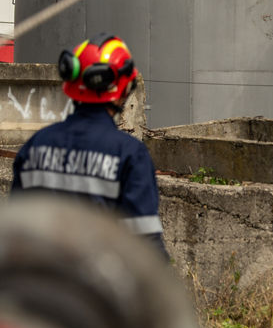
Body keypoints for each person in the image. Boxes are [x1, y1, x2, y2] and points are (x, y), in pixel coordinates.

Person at [11, 33, 166, 254]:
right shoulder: (129, 154)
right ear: (122, 89)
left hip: (36, 284)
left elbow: (15, 231)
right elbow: (147, 247)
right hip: (96, 287)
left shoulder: (35, 145)